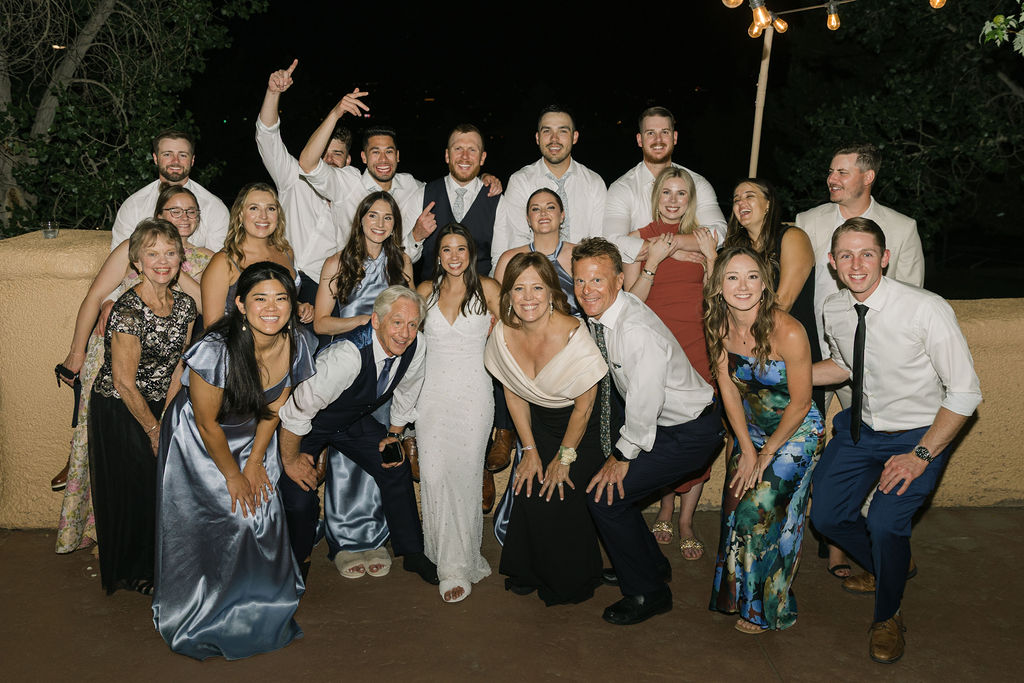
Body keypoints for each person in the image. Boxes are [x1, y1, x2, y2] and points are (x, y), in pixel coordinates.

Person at [809, 218, 981, 664]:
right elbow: (844, 366)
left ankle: (888, 613)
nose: (857, 263)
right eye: (845, 255)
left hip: (917, 436)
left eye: (867, 253)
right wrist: (783, 374)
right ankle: (891, 565)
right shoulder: (834, 307)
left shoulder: (926, 308)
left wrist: (921, 455)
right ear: (831, 262)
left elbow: (965, 393)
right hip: (860, 428)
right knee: (826, 515)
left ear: (885, 258)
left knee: (886, 523)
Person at [153, 262, 315, 660]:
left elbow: (275, 407)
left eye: (281, 298)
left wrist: (256, 461)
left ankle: (259, 598)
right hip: (200, 440)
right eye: (260, 299)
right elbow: (207, 423)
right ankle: (199, 605)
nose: (272, 308)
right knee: (228, 515)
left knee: (261, 514)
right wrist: (232, 475)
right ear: (241, 304)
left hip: (253, 437)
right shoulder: (214, 349)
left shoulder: (297, 342)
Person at [573, 237, 722, 625]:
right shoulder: (608, 314)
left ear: (619, 281)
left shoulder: (634, 329)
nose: (587, 290)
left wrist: (623, 455)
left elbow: (644, 398)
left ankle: (648, 593)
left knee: (606, 499)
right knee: (616, 497)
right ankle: (649, 566)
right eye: (580, 281)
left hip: (691, 430)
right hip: (668, 425)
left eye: (597, 281)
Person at [55, 187, 211, 551]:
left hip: (169, 368)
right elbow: (95, 297)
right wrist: (76, 355)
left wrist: (175, 270)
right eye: (174, 211)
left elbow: (204, 306)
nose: (183, 217)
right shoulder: (133, 248)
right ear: (159, 214)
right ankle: (103, 531)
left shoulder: (202, 259)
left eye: (190, 212)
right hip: (120, 359)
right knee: (103, 451)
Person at [277, 286, 439, 586]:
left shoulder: (417, 346)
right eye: (397, 322)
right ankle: (296, 562)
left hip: (353, 421)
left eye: (413, 324)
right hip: (309, 425)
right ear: (376, 321)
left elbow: (407, 390)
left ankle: (412, 553)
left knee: (395, 466)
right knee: (299, 497)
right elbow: (296, 410)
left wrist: (394, 434)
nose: (405, 333)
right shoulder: (346, 357)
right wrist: (290, 459)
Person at [705, 247, 824, 633]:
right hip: (752, 432)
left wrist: (766, 452)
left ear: (764, 283)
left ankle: (766, 609)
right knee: (733, 505)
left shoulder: (787, 330)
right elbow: (728, 387)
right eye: (733, 277)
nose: (743, 285)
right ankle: (737, 595)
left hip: (796, 431)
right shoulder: (718, 325)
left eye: (752, 276)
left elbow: (803, 401)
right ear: (719, 286)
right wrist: (746, 447)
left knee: (757, 514)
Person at [484, 252, 607, 605]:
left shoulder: (574, 334)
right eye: (519, 289)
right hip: (537, 424)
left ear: (552, 292)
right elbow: (514, 393)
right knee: (527, 483)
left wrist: (563, 458)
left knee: (558, 490)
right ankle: (529, 568)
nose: (528, 297)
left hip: (582, 428)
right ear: (507, 296)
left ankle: (572, 578)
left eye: (537, 287)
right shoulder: (505, 333)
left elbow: (585, 408)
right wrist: (530, 450)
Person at [89, 219, 197, 595]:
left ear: (180, 259)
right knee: (137, 488)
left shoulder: (184, 305)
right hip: (120, 407)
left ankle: (161, 564)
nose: (161, 261)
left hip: (158, 402)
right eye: (152, 254)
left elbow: (179, 366)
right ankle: (136, 572)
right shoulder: (128, 309)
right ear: (136, 261)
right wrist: (153, 431)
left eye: (169, 252)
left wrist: (166, 419)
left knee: (164, 486)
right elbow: (123, 381)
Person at [310, 191, 413, 579]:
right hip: (348, 367)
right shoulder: (338, 262)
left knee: (380, 450)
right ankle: (345, 540)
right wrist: (364, 322)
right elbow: (320, 322)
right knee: (344, 457)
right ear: (361, 218)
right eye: (373, 215)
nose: (380, 223)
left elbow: (408, 315)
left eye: (388, 217)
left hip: (387, 366)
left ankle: (376, 536)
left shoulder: (400, 262)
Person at [621, 167, 719, 561]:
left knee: (697, 429)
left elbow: (718, 295)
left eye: (681, 193)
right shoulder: (638, 239)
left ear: (690, 199)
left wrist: (710, 259)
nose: (674, 200)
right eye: (667, 193)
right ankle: (664, 507)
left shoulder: (704, 237)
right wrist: (653, 261)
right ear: (655, 196)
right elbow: (630, 301)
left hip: (698, 343)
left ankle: (686, 520)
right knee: (663, 427)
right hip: (658, 346)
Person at [415, 224, 501, 603]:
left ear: (471, 253)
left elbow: (513, 337)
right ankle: (442, 552)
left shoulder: (489, 289)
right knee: (433, 477)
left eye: (460, 249)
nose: (453, 256)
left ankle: (456, 565)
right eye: (446, 249)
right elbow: (404, 343)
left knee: (465, 479)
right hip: (430, 395)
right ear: (437, 255)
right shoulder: (423, 292)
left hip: (474, 395)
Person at [794, 144, 924, 360]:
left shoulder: (902, 228)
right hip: (812, 347)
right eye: (830, 172)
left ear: (868, 177)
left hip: (872, 353)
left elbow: (911, 296)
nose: (831, 180)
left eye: (842, 173)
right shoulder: (806, 221)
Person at [257, 60, 353, 306]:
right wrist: (273, 93)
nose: (329, 159)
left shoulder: (354, 194)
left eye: (337, 154)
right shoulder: (293, 176)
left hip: (323, 288)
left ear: (349, 160)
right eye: (324, 153)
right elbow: (268, 136)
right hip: (277, 273)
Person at [725, 179, 822, 411]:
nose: (741, 202)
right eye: (736, 199)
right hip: (747, 354)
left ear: (768, 204)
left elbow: (783, 302)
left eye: (749, 196)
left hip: (787, 350)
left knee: (794, 432)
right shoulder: (734, 249)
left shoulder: (792, 237)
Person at [602, 107, 726, 264]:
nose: (658, 140)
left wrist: (675, 243)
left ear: (674, 137)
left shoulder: (697, 183)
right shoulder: (622, 188)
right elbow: (612, 242)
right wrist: (671, 252)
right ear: (640, 140)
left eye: (665, 132)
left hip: (693, 278)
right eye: (651, 133)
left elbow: (720, 232)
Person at [491, 105, 607, 262]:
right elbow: (517, 240)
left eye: (563, 131)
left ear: (575, 137)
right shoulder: (520, 181)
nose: (554, 139)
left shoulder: (594, 182)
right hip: (534, 273)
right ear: (538, 138)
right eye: (547, 131)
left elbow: (598, 242)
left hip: (584, 274)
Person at [200, 182, 314, 327]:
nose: (263, 216)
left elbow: (275, 298)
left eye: (270, 209)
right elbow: (212, 327)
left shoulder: (286, 251)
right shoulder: (224, 262)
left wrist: (298, 307)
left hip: (288, 341)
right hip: (239, 346)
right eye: (254, 208)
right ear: (240, 215)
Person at [410, 124, 502, 282]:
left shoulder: (497, 199)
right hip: (432, 297)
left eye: (472, 149)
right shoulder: (422, 194)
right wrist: (416, 237)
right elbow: (404, 258)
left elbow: (501, 260)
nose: (464, 156)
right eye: (458, 148)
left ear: (482, 157)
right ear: (447, 155)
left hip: (481, 295)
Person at [110, 129, 229, 251]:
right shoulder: (134, 205)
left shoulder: (213, 206)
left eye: (182, 155)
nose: (175, 161)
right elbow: (120, 258)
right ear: (155, 158)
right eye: (167, 154)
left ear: (192, 160)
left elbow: (218, 263)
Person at [494, 188, 580, 316]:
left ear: (562, 215)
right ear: (528, 219)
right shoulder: (508, 259)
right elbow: (498, 310)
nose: (543, 213)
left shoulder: (580, 256)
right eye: (535, 209)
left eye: (550, 207)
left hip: (574, 332)